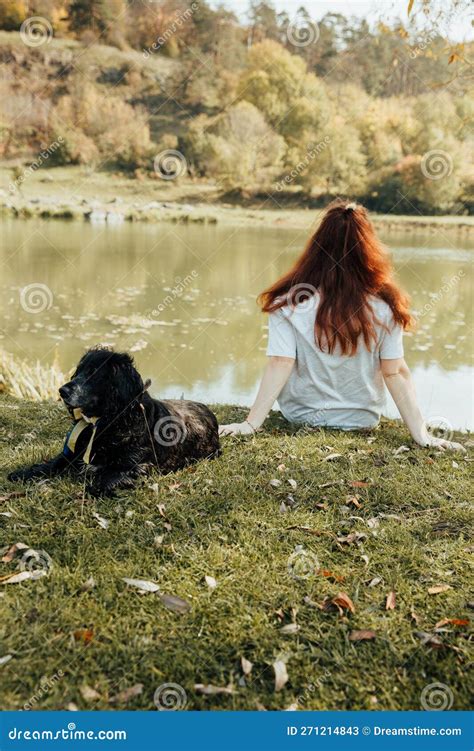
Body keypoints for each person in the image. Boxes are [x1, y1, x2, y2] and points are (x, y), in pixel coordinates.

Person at [219, 199, 464, 451]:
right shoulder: (386, 306)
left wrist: (251, 424)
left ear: (317, 246)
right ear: (369, 249)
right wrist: (421, 434)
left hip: (301, 415)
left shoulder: (289, 303)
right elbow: (394, 372)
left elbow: (280, 363)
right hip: (361, 419)